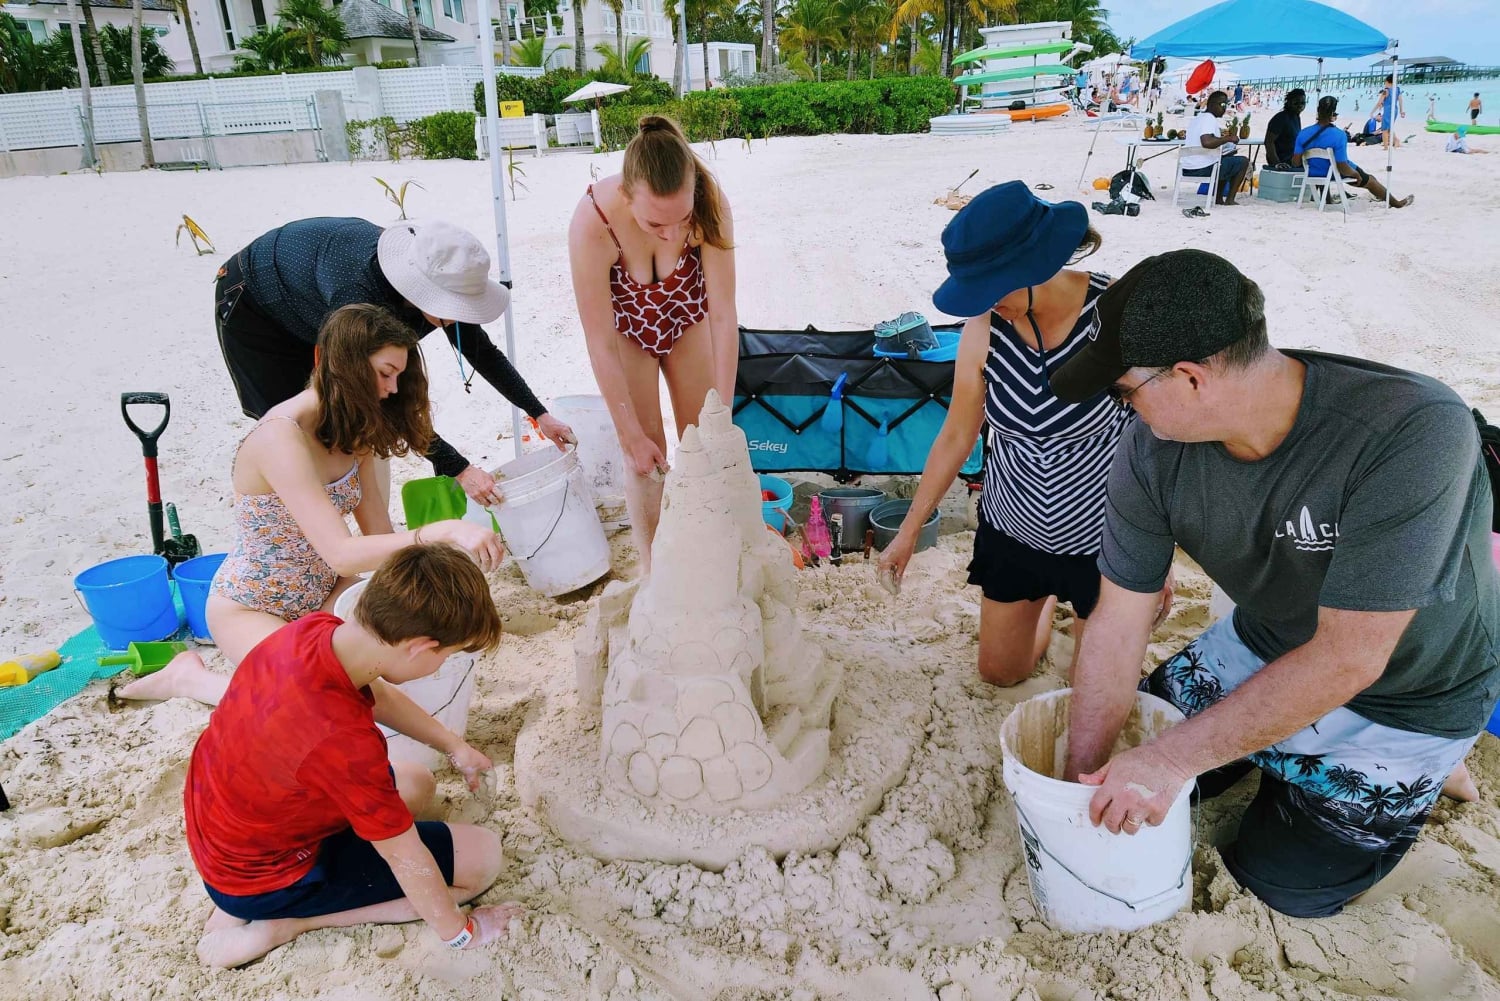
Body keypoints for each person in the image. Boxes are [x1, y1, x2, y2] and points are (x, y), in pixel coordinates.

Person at [1047, 248, 1497, 918]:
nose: (1125, 412)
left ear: (1192, 379)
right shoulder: (1151, 449)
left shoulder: (1414, 427)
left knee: (1277, 882)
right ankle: (1288, 753)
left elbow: (1351, 655)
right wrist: (1078, 783)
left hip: (1412, 691)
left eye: (1125, 393)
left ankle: (1431, 768)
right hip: (1265, 641)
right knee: (1130, 763)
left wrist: (1170, 763)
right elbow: (1118, 616)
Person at [119, 305, 506, 706]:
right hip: (253, 604)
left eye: (398, 376)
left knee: (379, 667)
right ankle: (188, 679)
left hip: (326, 591)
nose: (392, 389)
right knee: (300, 698)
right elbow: (341, 553)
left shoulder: (355, 432)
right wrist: (441, 530)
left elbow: (379, 537)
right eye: (385, 373)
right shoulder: (279, 435)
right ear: (344, 365)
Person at [878, 183, 1171, 686]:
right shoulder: (985, 325)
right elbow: (956, 435)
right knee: (998, 673)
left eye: (995, 288)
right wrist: (907, 533)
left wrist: (1157, 559)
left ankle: (1078, 611)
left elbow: (1164, 441)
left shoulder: (1116, 314)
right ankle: (1046, 601)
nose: (987, 303)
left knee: (1093, 686)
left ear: (1036, 266)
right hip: (1015, 530)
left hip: (1107, 541)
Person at [188, 544, 519, 969]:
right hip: (269, 874)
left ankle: (241, 901)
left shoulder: (315, 631)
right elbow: (403, 854)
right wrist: (460, 932)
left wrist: (454, 745)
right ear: (420, 648)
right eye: (448, 655)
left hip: (228, 836)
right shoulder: (340, 738)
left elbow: (375, 692)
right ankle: (289, 923)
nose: (442, 667)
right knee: (482, 858)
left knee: (417, 782)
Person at [215, 216, 574, 507]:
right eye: (454, 306)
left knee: (361, 422)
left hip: (316, 294)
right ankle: (315, 530)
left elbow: (481, 353)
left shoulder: (437, 277)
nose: (460, 314)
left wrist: (539, 414)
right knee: (300, 430)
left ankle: (367, 527)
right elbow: (377, 399)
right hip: (256, 303)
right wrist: (459, 469)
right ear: (423, 291)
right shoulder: (359, 297)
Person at [569, 115, 738, 577]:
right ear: (626, 196)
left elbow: (724, 317)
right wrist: (629, 434)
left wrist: (723, 407)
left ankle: (707, 556)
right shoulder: (594, 221)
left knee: (703, 439)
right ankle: (652, 571)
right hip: (628, 332)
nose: (670, 233)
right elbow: (599, 340)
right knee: (645, 457)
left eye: (681, 220)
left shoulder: (709, 200)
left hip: (688, 319)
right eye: (655, 222)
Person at [1293, 96, 1414, 208]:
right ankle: (1397, 204)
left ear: (1318, 110)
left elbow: (1296, 162)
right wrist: (1355, 174)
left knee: (1323, 163)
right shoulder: (1339, 135)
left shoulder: (1303, 134)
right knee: (1370, 180)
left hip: (1313, 173)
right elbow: (1342, 166)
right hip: (1335, 174)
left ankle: (1328, 199)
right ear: (1332, 113)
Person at [1181, 91, 1251, 206]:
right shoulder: (1209, 119)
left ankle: (1218, 198)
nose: (1224, 108)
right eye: (1222, 105)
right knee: (1243, 162)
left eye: (1226, 105)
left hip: (1187, 167)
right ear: (1212, 104)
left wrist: (1222, 141)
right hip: (1202, 168)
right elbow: (1206, 142)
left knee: (1225, 158)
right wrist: (1228, 139)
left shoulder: (1198, 118)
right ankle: (1230, 200)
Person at [1263, 88, 1306, 168]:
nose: (1300, 105)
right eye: (1296, 103)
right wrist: (1277, 163)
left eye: (1303, 103)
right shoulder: (1281, 118)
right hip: (1284, 161)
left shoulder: (1296, 117)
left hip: (1293, 159)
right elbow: (1268, 142)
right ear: (1289, 102)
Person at [1375, 74, 1404, 148]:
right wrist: (1401, 111)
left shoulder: (1386, 91)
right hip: (1395, 110)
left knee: (1384, 129)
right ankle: (1396, 141)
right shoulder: (1397, 89)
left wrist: (1374, 110)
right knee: (1389, 128)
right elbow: (1400, 100)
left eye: (1385, 82)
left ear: (1388, 82)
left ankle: (1385, 147)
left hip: (1388, 111)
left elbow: (1379, 102)